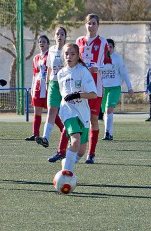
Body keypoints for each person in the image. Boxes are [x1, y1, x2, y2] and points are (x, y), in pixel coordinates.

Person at [76, 13, 112, 164]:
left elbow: (109, 63)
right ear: (85, 25)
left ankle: (91, 153)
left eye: (94, 23)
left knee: (93, 120)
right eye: (89, 23)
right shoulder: (78, 41)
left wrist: (99, 68)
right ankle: (76, 150)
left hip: (96, 89)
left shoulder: (103, 42)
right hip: (81, 87)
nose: (91, 26)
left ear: (98, 25)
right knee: (79, 120)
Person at [57, 43, 97, 171]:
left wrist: (78, 95)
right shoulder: (61, 74)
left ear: (78, 55)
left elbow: (93, 95)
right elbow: (63, 94)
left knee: (81, 151)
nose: (69, 56)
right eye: (66, 54)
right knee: (75, 141)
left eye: (72, 54)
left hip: (83, 113)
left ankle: (67, 162)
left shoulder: (83, 71)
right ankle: (66, 173)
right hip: (67, 111)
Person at [35, 27, 69, 163]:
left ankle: (68, 143)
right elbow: (49, 68)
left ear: (65, 36)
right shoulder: (52, 51)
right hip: (54, 84)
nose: (59, 36)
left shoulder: (68, 50)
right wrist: (48, 84)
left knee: (66, 115)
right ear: (54, 36)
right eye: (57, 34)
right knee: (51, 111)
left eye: (62, 34)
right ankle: (45, 138)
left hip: (66, 85)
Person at [101, 39, 134, 140]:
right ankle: (109, 132)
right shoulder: (101, 58)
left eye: (111, 47)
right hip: (103, 88)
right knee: (105, 112)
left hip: (115, 87)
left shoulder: (117, 58)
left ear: (113, 48)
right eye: (107, 47)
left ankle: (107, 133)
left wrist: (130, 87)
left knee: (109, 109)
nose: (109, 49)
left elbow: (124, 73)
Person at [25, 35, 50, 141]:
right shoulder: (36, 58)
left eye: (44, 41)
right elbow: (35, 74)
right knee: (36, 111)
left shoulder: (50, 56)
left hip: (47, 88)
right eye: (40, 42)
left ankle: (63, 129)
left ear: (48, 44)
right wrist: (32, 88)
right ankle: (35, 134)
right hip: (37, 88)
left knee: (52, 112)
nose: (41, 43)